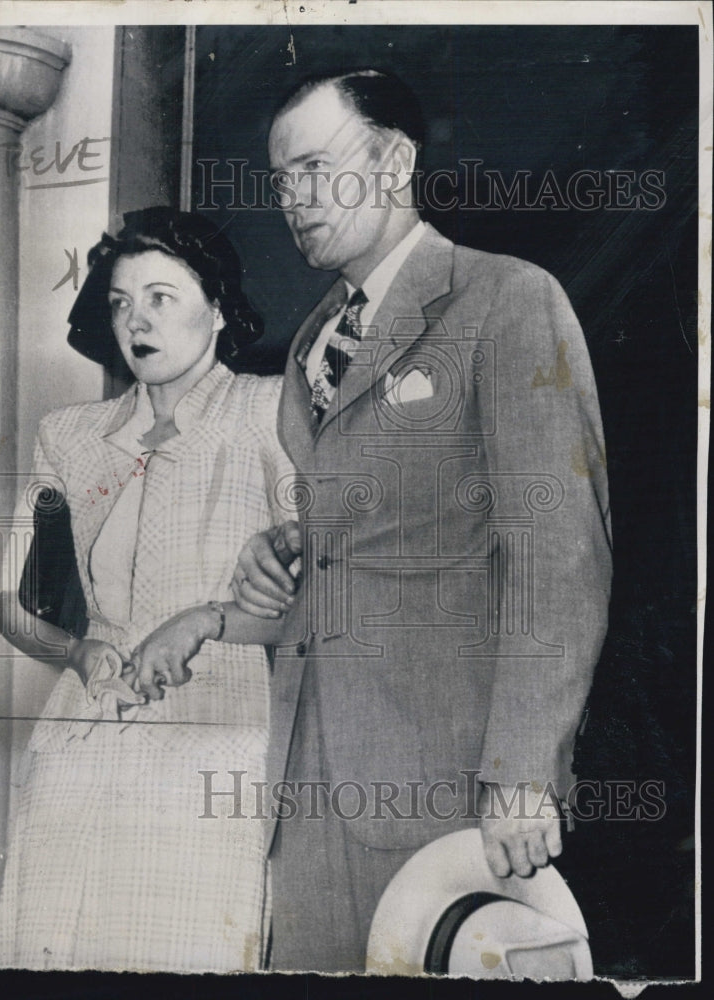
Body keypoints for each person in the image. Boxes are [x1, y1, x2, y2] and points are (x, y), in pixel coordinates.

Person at [230, 70, 613, 972]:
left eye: (317, 168)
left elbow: (557, 550)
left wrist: (523, 771)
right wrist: (288, 545)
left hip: (449, 782)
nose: (294, 199)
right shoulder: (313, 337)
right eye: (282, 180)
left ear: (395, 160)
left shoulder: (507, 299)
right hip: (307, 780)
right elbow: (389, 521)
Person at [0, 207, 294, 972]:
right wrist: (79, 651)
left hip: (217, 731)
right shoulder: (69, 434)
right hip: (81, 733)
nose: (136, 320)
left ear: (218, 309)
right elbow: (6, 601)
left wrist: (206, 620)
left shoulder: (269, 412)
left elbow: (323, 603)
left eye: (161, 296)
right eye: (121, 302)